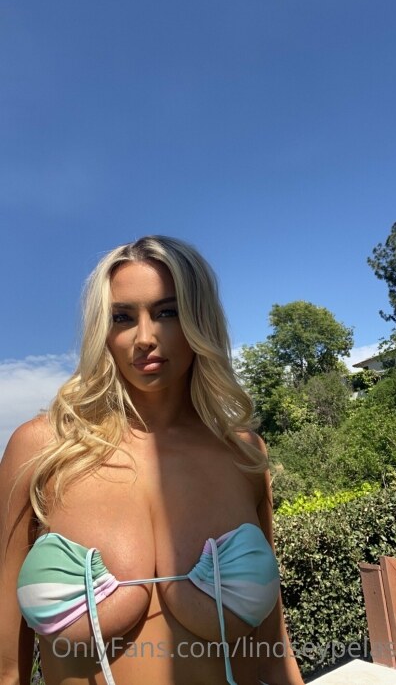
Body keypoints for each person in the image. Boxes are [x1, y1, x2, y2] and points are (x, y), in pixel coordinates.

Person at [0, 235, 304, 685]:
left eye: (167, 312)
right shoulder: (41, 450)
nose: (145, 338)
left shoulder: (243, 454)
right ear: (103, 332)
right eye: (122, 317)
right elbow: (6, 668)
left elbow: (274, 653)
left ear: (199, 320)